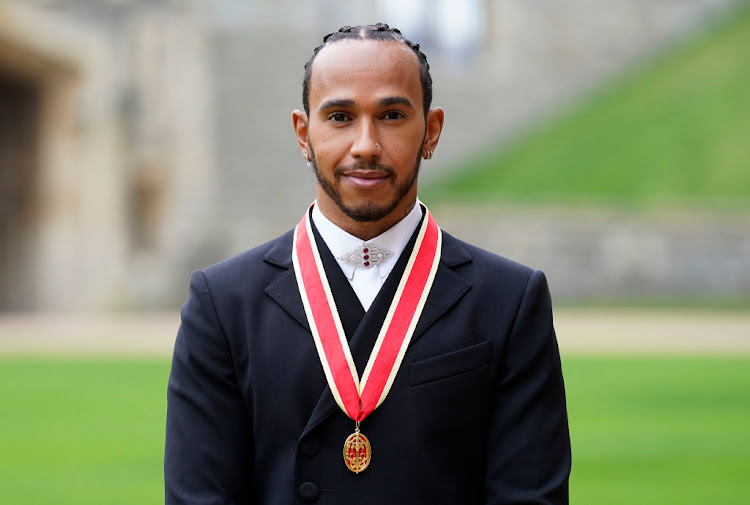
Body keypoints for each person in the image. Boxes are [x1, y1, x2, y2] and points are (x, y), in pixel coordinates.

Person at [165, 23, 570, 505]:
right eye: (339, 116)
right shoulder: (223, 303)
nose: (365, 145)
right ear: (303, 133)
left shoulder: (509, 300)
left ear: (432, 131)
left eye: (392, 115)